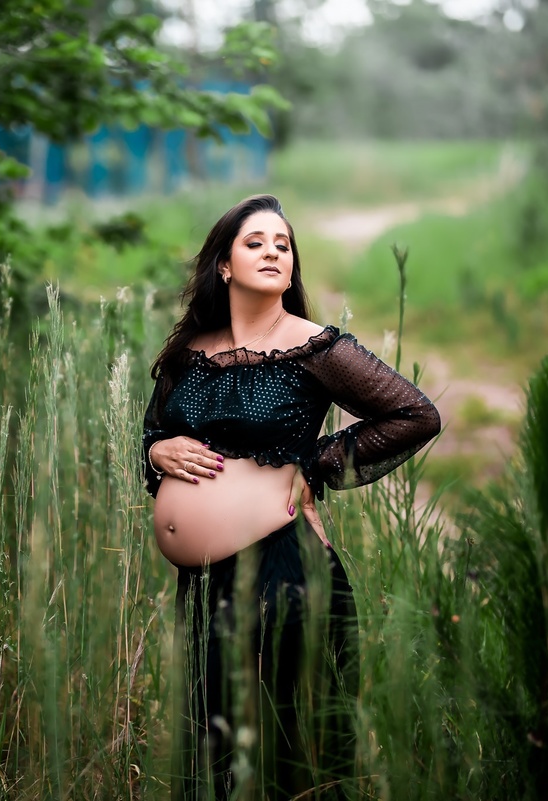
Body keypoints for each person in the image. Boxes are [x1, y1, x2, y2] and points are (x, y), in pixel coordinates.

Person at [142, 194, 440, 800]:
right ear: (224, 266)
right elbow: (154, 433)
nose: (274, 251)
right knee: (212, 733)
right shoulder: (187, 353)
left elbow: (415, 414)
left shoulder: (314, 348)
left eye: (283, 243)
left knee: (287, 741)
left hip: (284, 566)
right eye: (256, 242)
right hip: (203, 581)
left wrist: (316, 464)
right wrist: (156, 451)